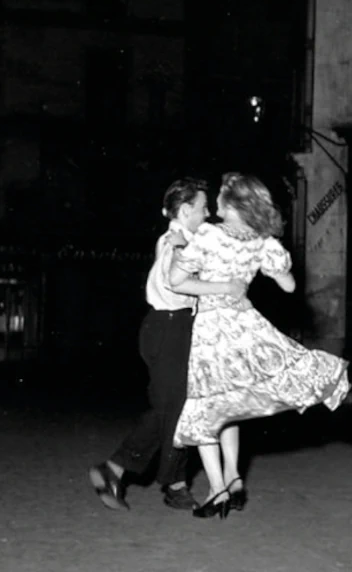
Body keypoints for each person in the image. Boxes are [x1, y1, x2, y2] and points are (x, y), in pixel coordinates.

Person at [170, 172, 351, 520]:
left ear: (233, 205)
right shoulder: (262, 241)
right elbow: (287, 285)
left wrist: (222, 285)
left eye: (221, 198)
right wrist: (256, 266)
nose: (216, 203)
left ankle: (218, 489)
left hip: (213, 331)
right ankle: (235, 478)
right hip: (246, 327)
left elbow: (177, 282)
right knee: (230, 404)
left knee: (208, 409)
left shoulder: (208, 235)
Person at [89, 177, 245, 511]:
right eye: (203, 208)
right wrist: (222, 286)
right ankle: (143, 476)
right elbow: (176, 286)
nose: (206, 214)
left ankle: (164, 480)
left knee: (175, 409)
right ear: (187, 210)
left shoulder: (184, 239)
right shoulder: (175, 242)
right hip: (169, 327)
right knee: (173, 409)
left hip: (175, 328)